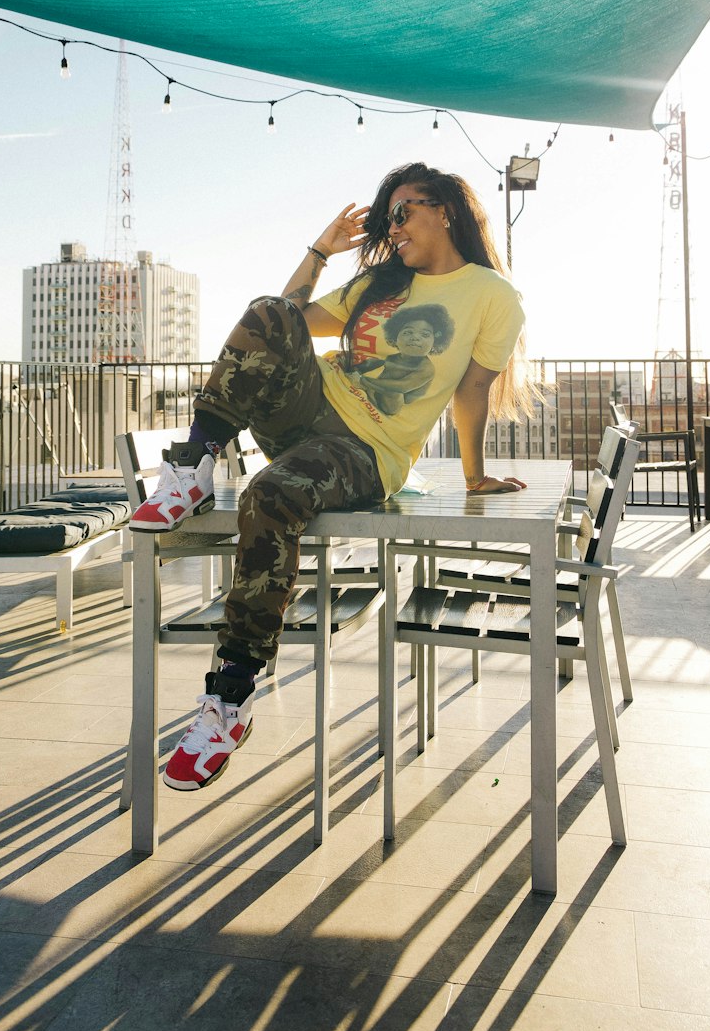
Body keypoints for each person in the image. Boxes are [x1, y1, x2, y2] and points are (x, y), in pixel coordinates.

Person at [130, 161, 531, 792]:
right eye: (385, 218)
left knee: (269, 496)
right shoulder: (382, 283)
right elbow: (289, 321)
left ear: (444, 210)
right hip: (308, 410)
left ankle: (229, 700)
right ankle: (193, 463)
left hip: (367, 451)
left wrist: (477, 474)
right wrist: (321, 250)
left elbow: (474, 390)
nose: (392, 228)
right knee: (269, 310)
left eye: (403, 213)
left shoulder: (491, 295)